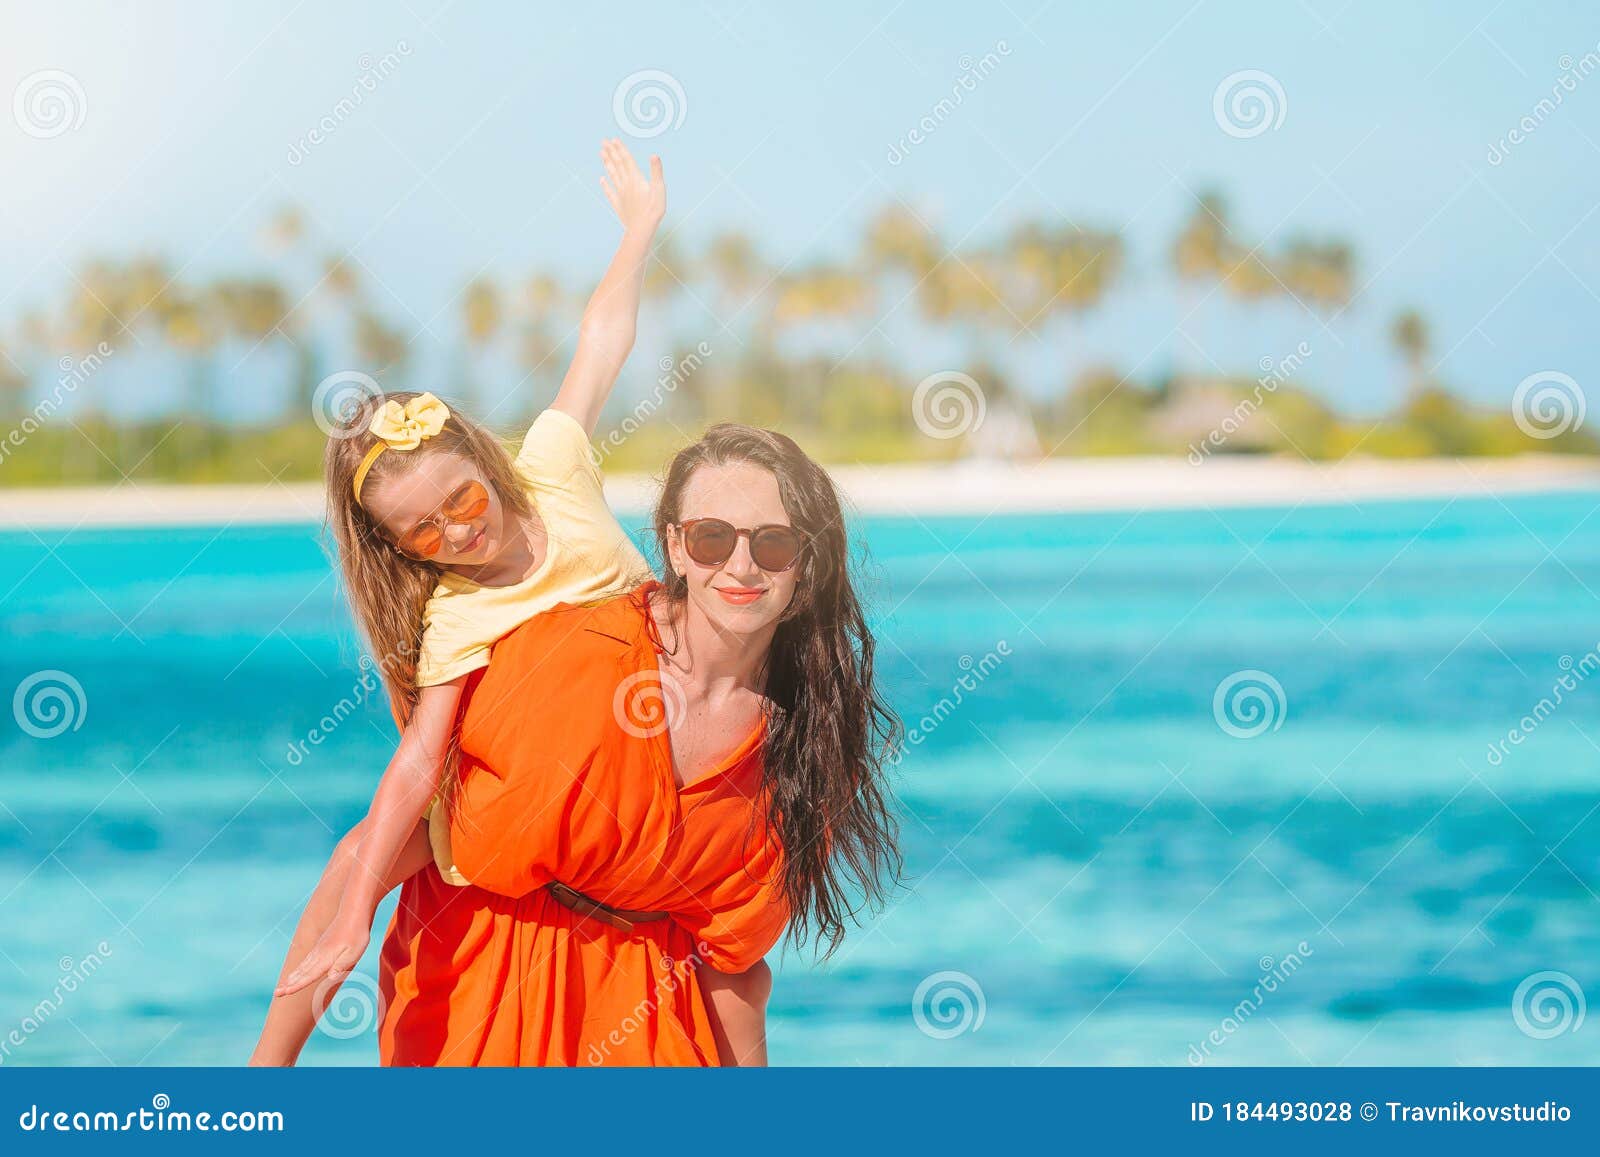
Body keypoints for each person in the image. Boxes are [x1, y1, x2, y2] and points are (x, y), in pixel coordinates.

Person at [250, 141, 769, 1066]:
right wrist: (360, 910)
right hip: (504, 799)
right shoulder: (452, 611)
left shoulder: (554, 475)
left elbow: (600, 341)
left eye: (461, 502)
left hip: (624, 766)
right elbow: (417, 765)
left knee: (739, 962)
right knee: (348, 868)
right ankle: (265, 1074)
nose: (453, 535)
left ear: (488, 466)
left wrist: (639, 232)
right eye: (419, 533)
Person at [375, 423, 903, 1065]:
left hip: (652, 1030)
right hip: (474, 992)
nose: (740, 567)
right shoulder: (567, 650)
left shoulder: (804, 745)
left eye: (773, 543)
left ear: (806, 561)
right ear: (674, 548)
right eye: (711, 539)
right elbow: (416, 836)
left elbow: (734, 966)